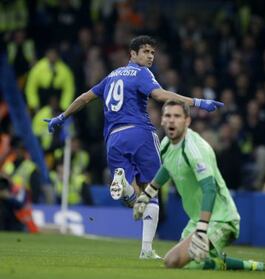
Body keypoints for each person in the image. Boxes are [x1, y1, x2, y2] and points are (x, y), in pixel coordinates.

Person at [44, 35, 223, 259]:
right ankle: (146, 250)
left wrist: (61, 117)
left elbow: (85, 98)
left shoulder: (111, 76)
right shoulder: (142, 73)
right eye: (145, 52)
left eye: (152, 53)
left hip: (113, 140)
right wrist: (197, 102)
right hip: (140, 134)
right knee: (152, 192)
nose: (150, 56)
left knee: (134, 199)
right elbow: (159, 95)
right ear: (133, 54)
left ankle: (126, 188)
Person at [134, 100, 265, 271]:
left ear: (187, 121)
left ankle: (226, 263)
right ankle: (240, 264)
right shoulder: (166, 144)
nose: (172, 120)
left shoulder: (194, 149)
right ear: (162, 120)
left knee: (176, 262)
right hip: (196, 220)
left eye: (177, 116)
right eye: (168, 115)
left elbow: (209, 189)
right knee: (174, 261)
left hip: (221, 220)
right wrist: (146, 195)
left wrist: (202, 230)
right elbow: (167, 168)